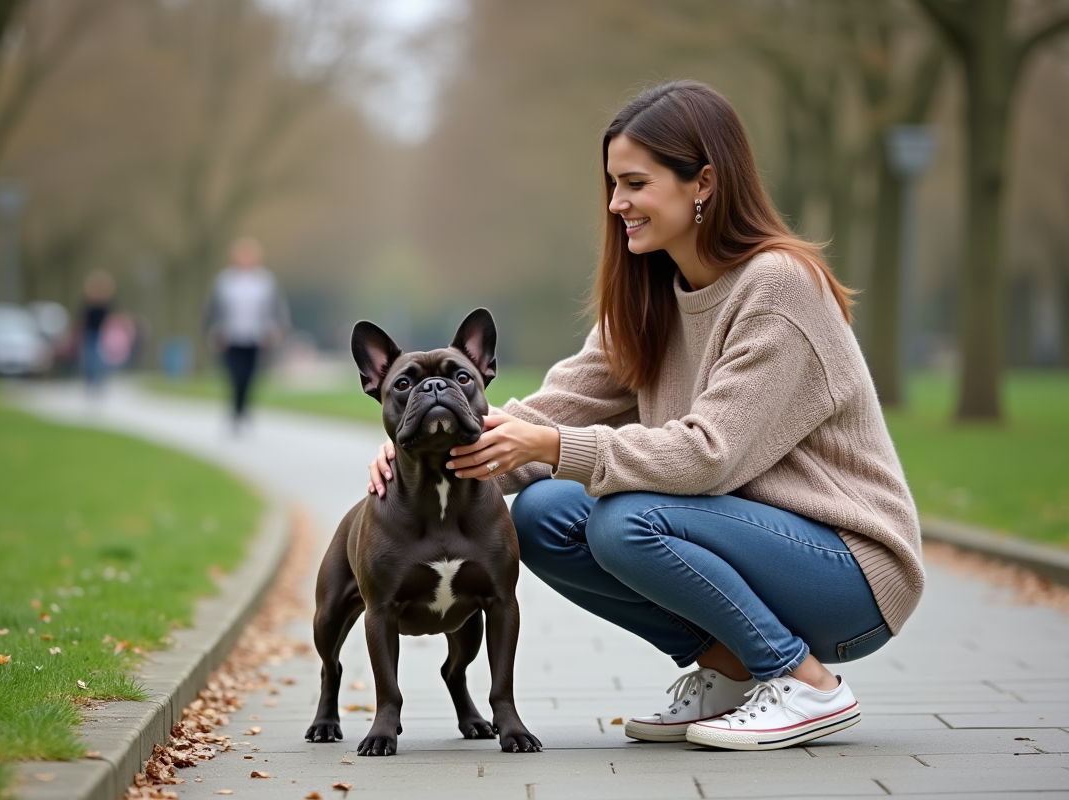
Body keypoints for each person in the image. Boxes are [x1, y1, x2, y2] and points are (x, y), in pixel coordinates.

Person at [368, 80, 923, 752]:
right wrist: (425, 451)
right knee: (542, 516)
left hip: (849, 570)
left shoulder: (777, 286)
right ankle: (728, 668)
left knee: (625, 519)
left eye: (634, 183)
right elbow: (553, 410)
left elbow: (709, 455)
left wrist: (552, 446)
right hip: (749, 542)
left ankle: (804, 683)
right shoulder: (650, 295)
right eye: (612, 184)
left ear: (704, 183)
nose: (616, 204)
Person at [204, 237, 291, 431]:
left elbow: (277, 308)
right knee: (235, 375)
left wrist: (277, 330)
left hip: (256, 337)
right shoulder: (224, 281)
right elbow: (212, 309)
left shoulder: (265, 281)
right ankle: (236, 409)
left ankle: (243, 409)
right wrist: (214, 331)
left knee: (250, 376)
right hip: (230, 337)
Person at [80, 270, 115, 392]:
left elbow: (112, 319)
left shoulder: (106, 304)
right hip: (89, 335)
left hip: (101, 336)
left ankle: (98, 382)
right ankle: (91, 381)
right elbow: (82, 319)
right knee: (90, 359)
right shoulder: (89, 303)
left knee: (98, 360)